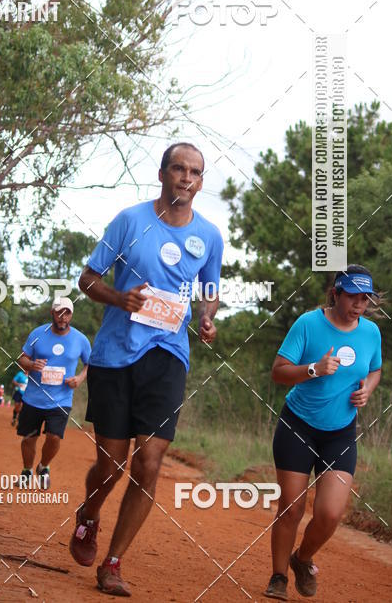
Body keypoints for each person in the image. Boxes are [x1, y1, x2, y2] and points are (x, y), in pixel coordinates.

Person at [70, 142, 223, 597]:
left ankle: (114, 562)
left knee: (149, 462)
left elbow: (209, 289)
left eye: (195, 171)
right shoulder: (130, 221)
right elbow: (88, 279)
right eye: (178, 168)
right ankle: (89, 516)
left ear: (200, 181)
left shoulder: (210, 236)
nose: (186, 177)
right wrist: (120, 298)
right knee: (111, 465)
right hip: (116, 354)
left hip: (168, 356)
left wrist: (207, 316)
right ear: (162, 174)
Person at [263, 264, 383, 600]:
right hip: (297, 425)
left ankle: (301, 560)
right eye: (353, 296)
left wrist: (368, 389)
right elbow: (278, 372)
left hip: (340, 432)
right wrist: (314, 369)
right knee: (292, 507)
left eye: (365, 298)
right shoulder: (308, 323)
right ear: (336, 293)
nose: (359, 304)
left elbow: (375, 369)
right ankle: (278, 578)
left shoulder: (371, 332)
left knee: (330, 513)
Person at [16, 297, 91, 490]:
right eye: (59, 312)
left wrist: (80, 378)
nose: (62, 317)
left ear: (71, 315)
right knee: (29, 438)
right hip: (33, 397)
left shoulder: (80, 339)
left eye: (67, 313)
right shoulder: (37, 334)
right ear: (52, 313)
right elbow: (21, 358)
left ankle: (44, 466)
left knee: (54, 437)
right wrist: (31, 365)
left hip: (61, 399)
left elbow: (90, 364)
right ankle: (26, 470)